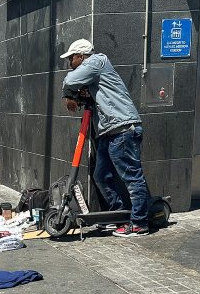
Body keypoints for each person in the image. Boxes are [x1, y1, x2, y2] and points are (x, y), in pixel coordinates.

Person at [61, 39, 150, 237]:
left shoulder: (96, 62)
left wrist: (69, 95)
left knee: (132, 178)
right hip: (109, 132)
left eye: (71, 58)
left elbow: (70, 81)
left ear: (81, 56)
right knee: (101, 176)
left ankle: (139, 223)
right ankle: (116, 216)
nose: (69, 63)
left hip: (123, 129)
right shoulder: (94, 73)